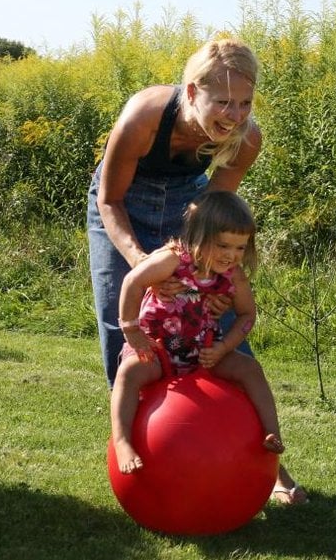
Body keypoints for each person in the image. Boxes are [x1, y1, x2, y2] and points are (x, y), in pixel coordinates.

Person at [87, 38, 307, 504]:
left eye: (246, 102)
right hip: (121, 208)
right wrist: (142, 265)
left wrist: (209, 281)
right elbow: (110, 200)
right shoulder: (145, 115)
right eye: (223, 101)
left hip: (190, 214)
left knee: (223, 327)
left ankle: (266, 465)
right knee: (124, 334)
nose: (235, 114)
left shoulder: (247, 138)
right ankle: (140, 456)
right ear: (191, 92)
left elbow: (214, 214)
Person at [111, 191, 284, 473]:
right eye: (223, 245)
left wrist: (224, 347)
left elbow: (247, 315)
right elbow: (132, 281)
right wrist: (131, 330)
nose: (231, 256)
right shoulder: (173, 260)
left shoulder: (234, 275)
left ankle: (271, 433)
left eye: (240, 248)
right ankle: (122, 441)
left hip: (202, 352)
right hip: (156, 348)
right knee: (129, 373)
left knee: (250, 368)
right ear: (199, 236)